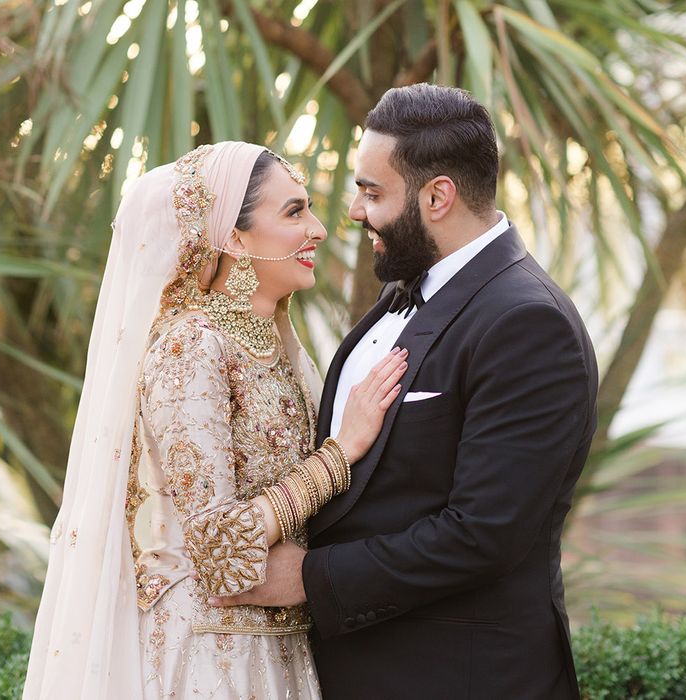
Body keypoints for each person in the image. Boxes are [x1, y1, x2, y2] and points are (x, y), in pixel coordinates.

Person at [212, 85, 599, 699]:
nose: (354, 212)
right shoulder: (405, 288)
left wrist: (309, 579)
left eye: (371, 191)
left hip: (461, 677)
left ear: (437, 195)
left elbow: (482, 533)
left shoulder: (527, 323)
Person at [22, 141, 407, 699]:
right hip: (209, 657)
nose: (319, 229)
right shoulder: (190, 347)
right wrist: (340, 453)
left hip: (279, 646)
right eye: (294, 211)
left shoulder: (273, 346)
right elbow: (220, 544)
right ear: (231, 235)